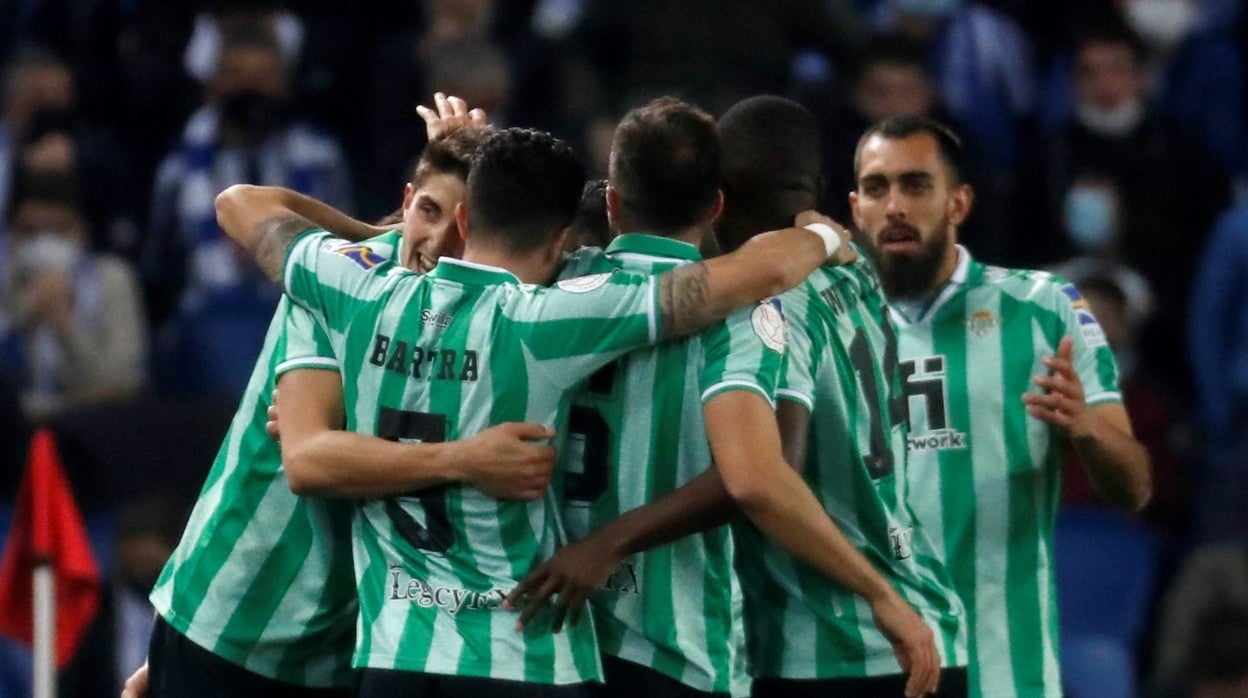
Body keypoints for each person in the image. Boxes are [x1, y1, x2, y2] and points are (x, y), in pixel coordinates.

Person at [219, 125, 851, 696]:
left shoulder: (356, 288)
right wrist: (822, 234)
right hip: (518, 653)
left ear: (463, 220)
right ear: (558, 239)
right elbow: (746, 278)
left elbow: (240, 204)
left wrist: (385, 235)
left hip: (394, 656)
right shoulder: (547, 318)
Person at [506, 96, 942, 698]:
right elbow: (761, 476)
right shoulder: (772, 299)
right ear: (714, 205)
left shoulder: (556, 283)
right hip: (684, 644)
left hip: (555, 629)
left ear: (611, 200)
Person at [128, 102, 559, 698]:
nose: (436, 242)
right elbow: (309, 461)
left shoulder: (501, 315)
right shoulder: (338, 279)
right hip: (235, 617)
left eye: (463, 225)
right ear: (406, 201)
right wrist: (468, 458)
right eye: (427, 211)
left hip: (347, 646)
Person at [853, 115, 1151, 698]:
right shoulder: (828, 323)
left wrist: (1085, 428)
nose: (894, 206)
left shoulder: (1046, 308)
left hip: (1005, 671)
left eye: (916, 186)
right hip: (862, 667)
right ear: (855, 206)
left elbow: (1135, 488)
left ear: (958, 203)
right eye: (876, 187)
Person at [709, 95, 968, 698]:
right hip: (926, 623)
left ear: (716, 194)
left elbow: (778, 467)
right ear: (819, 190)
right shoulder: (851, 268)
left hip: (836, 647)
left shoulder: (770, 303)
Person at [0, 171, 147, 421]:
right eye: (31, 231)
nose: (43, 243)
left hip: (92, 425)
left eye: (57, 230)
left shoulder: (112, 279)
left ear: (80, 231)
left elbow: (122, 381)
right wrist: (29, 309)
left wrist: (64, 326)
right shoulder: (8, 279)